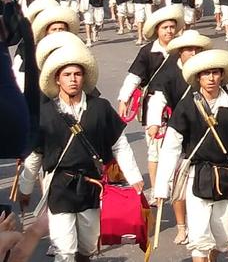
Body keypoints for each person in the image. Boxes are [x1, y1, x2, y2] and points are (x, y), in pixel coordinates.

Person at [19, 38, 144, 262]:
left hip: (91, 186)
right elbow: (35, 156)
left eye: (77, 74)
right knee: (64, 250)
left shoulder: (100, 108)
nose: (73, 79)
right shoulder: (44, 114)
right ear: (57, 79)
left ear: (84, 77)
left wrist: (134, 177)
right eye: (67, 75)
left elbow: (119, 144)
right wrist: (25, 189)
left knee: (87, 247)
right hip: (59, 187)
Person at [154, 49, 228, 262]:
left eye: (215, 73)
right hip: (196, 175)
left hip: (226, 175)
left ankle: (214, 255)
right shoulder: (187, 105)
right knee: (199, 237)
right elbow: (171, 146)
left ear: (222, 75)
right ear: (198, 77)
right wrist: (162, 185)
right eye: (205, 73)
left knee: (223, 237)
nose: (211, 78)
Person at [145, 29, 212, 246]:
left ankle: (201, 226)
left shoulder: (208, 71)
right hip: (178, 129)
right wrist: (154, 121)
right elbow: (157, 98)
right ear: (180, 52)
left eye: (197, 49)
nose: (193, 53)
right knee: (177, 184)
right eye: (189, 49)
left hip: (204, 132)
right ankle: (182, 227)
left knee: (204, 180)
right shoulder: (168, 74)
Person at [116, 4, 185, 199]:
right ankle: (156, 189)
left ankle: (178, 189)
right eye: (165, 27)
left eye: (172, 27)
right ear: (157, 30)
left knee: (180, 149)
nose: (169, 31)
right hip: (154, 107)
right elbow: (134, 77)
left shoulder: (181, 49)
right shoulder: (148, 52)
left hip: (179, 105)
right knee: (154, 151)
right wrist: (124, 98)